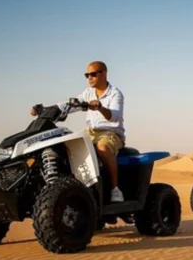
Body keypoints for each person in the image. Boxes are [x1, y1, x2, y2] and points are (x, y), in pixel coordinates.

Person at [30, 60, 126, 202]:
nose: (89, 78)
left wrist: (100, 107)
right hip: (90, 131)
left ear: (104, 74)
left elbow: (114, 116)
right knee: (67, 146)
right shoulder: (87, 93)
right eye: (86, 75)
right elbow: (70, 105)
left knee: (102, 149)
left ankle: (115, 189)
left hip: (110, 132)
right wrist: (45, 109)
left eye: (93, 74)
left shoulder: (115, 94)